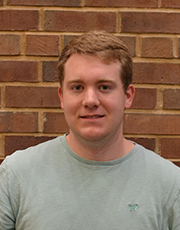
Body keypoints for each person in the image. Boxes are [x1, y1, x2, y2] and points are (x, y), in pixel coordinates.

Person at [0, 31, 180, 230]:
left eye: (104, 87)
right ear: (61, 96)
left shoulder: (170, 185)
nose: (90, 101)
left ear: (128, 96)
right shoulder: (15, 176)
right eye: (77, 87)